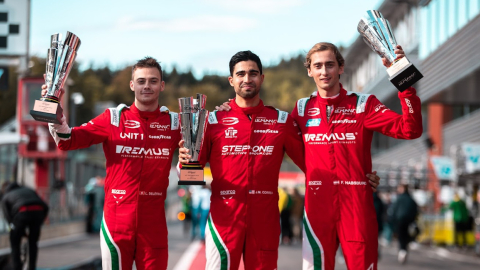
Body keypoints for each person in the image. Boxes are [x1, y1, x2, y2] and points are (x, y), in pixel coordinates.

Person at [179, 50, 380, 270]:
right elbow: (190, 176)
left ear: (262, 78)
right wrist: (185, 163)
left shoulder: (281, 121)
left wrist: (357, 176)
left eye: (253, 73)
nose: (247, 79)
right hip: (224, 220)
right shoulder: (214, 121)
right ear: (231, 80)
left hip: (265, 222)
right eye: (241, 74)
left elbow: (314, 161)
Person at [290, 42, 422, 270]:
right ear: (309, 70)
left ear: (341, 68)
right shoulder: (301, 109)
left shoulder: (363, 104)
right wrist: (228, 111)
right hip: (317, 208)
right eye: (318, 66)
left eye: (330, 65)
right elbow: (271, 140)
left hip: (357, 207)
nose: (324, 71)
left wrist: (404, 76)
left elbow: (411, 128)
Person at [45, 57, 181, 270]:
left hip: (153, 222)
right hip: (117, 220)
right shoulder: (114, 118)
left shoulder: (175, 123)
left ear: (162, 86)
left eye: (153, 81)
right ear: (132, 85)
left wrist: (230, 109)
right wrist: (54, 112)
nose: (147, 86)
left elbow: (203, 149)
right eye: (141, 80)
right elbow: (68, 141)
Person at [1, 182, 49, 270]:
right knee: (33, 243)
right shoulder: (29, 190)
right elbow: (46, 207)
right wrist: (40, 221)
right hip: (38, 212)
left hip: (21, 213)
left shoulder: (6, 196)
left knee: (15, 242)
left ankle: (17, 267)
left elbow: (8, 217)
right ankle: (32, 267)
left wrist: (14, 228)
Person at [389, 184, 418, 264]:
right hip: (409, 221)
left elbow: (394, 210)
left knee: (401, 236)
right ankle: (404, 249)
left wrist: (392, 221)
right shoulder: (411, 199)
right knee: (406, 236)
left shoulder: (399, 199)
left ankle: (402, 251)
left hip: (399, 220)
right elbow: (415, 211)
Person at [373, 191, 385, 259]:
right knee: (377, 239)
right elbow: (382, 211)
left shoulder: (365, 199)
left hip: (367, 225)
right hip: (378, 223)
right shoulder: (379, 201)